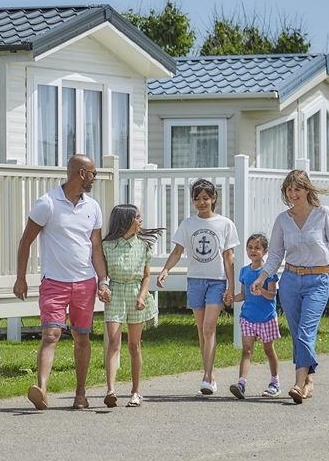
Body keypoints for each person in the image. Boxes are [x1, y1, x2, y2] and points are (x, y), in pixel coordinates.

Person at [251, 169, 329, 405]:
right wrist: (261, 278)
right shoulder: (282, 220)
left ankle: (298, 384)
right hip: (290, 280)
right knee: (298, 334)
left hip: (318, 281)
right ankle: (308, 382)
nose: (292, 194)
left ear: (307, 189)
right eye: (288, 190)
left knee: (306, 331)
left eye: (296, 189)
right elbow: (275, 255)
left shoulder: (323, 214)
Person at [13, 154, 108, 410]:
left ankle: (80, 393)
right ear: (81, 174)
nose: (94, 177)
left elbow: (96, 247)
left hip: (85, 283)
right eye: (93, 173)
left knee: (82, 338)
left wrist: (103, 281)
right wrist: (20, 278)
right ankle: (41, 391)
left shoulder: (93, 207)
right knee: (50, 335)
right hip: (54, 282)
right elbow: (26, 241)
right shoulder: (47, 204)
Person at [156, 179, 239, 396]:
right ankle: (210, 375)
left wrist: (231, 285)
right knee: (202, 331)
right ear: (193, 201)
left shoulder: (225, 224)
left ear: (214, 199)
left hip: (216, 281)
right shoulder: (188, 224)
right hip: (194, 280)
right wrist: (165, 270)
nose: (201, 202)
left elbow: (228, 257)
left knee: (209, 328)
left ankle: (206, 376)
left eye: (205, 198)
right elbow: (177, 251)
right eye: (197, 198)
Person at [99, 204, 163, 409]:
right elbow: (102, 274)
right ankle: (110, 390)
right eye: (137, 217)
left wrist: (142, 297)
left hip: (136, 295)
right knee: (114, 343)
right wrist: (104, 288)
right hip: (116, 295)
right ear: (126, 221)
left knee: (134, 346)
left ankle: (136, 392)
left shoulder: (143, 246)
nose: (140, 221)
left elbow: (146, 277)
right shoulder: (107, 245)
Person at [230, 233, 282, 399]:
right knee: (247, 350)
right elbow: (243, 295)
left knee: (268, 349)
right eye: (250, 247)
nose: (253, 251)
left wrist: (262, 291)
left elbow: (272, 295)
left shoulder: (269, 272)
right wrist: (232, 298)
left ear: (265, 251)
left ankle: (275, 382)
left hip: (266, 318)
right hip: (247, 317)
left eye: (257, 248)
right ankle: (241, 383)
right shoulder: (244, 271)